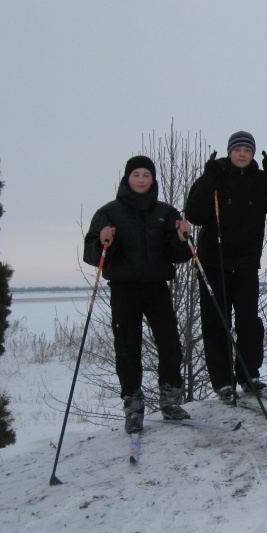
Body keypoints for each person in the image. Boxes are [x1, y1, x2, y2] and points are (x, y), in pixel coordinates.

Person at [83, 155, 193, 433]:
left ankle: (170, 401)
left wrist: (182, 239)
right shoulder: (109, 213)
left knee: (170, 345)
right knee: (127, 349)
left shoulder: (166, 212)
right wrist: (104, 241)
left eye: (146, 175)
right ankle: (133, 406)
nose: (142, 179)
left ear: (153, 179)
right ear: (127, 178)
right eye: (137, 175)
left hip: (157, 287)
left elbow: (178, 255)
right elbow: (94, 255)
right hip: (124, 288)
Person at [185, 131, 267, 401]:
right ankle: (223, 381)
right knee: (217, 322)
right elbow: (194, 215)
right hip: (214, 263)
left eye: (247, 150)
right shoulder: (215, 175)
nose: (242, 154)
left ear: (253, 153)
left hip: (246, 264)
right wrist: (209, 177)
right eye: (238, 149)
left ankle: (248, 374)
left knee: (248, 322)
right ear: (230, 152)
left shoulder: (260, 179)